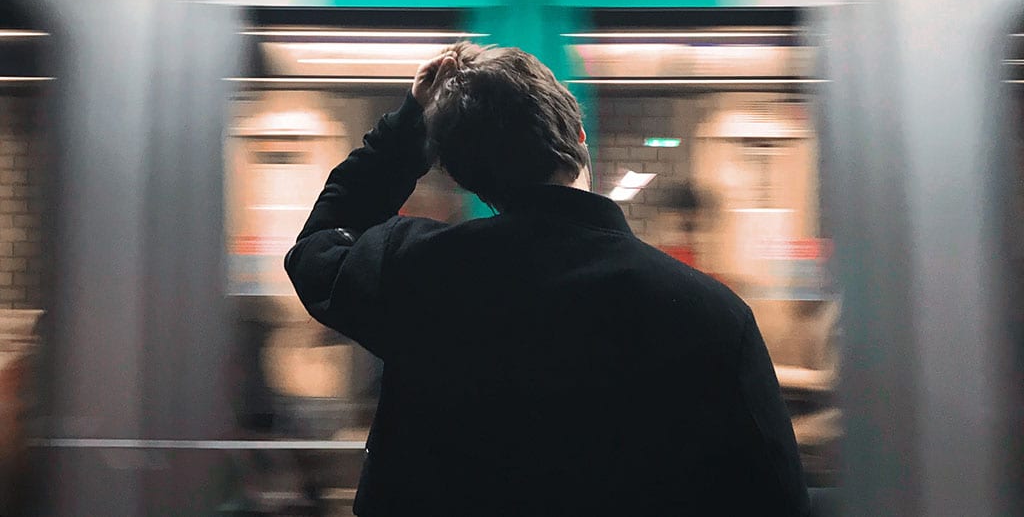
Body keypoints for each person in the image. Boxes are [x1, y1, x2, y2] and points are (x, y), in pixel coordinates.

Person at [284, 43, 810, 516]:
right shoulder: (711, 312)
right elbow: (773, 495)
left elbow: (319, 244)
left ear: (464, 176)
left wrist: (407, 129)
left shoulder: (416, 271)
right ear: (580, 138)